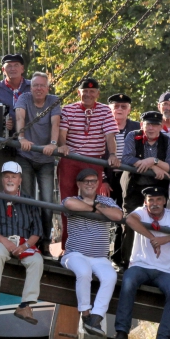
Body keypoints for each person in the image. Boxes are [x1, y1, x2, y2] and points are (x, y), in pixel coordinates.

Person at [114, 187, 170, 339]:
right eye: (151, 200)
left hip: (165, 271)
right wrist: (153, 238)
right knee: (128, 280)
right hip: (140, 266)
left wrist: (166, 239)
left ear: (165, 201)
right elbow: (130, 219)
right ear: (145, 202)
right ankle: (122, 330)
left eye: (158, 200)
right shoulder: (140, 212)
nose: (155, 203)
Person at [60, 168, 124, 336]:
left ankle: (96, 318)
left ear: (98, 183)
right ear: (79, 184)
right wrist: (98, 209)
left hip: (100, 258)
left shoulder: (106, 200)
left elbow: (118, 215)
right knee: (83, 271)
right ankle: (86, 314)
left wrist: (93, 205)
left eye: (93, 181)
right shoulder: (73, 199)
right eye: (86, 181)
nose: (90, 184)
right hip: (74, 254)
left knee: (111, 276)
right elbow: (69, 205)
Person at [57, 78, 119, 244]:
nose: (88, 95)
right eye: (85, 91)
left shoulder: (105, 111)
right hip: (71, 160)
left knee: (93, 201)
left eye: (92, 92)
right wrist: (62, 146)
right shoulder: (69, 109)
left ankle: (91, 243)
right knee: (67, 201)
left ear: (98, 94)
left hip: (93, 161)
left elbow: (110, 136)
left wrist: (112, 154)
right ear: (79, 93)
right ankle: (66, 244)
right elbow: (62, 134)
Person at [0, 161, 45, 324]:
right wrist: (5, 242)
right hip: (0, 240)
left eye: (14, 177)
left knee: (37, 261)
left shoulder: (30, 201)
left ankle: (25, 306)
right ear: (2, 179)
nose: (10, 180)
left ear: (20, 180)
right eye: (7, 176)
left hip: (23, 242)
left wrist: (25, 246)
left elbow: (37, 231)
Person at [118, 111, 170, 267]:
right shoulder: (132, 135)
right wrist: (154, 167)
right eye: (148, 124)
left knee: (156, 225)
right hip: (133, 187)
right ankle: (125, 262)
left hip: (156, 190)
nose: (151, 128)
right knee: (130, 223)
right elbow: (126, 158)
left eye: (155, 125)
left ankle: (153, 264)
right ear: (141, 124)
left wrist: (153, 161)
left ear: (161, 126)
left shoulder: (168, 141)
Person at [14, 71, 60, 253]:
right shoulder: (24, 98)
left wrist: (53, 144)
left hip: (46, 158)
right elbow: (19, 117)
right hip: (26, 156)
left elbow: (56, 123)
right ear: (30, 87)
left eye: (42, 85)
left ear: (47, 88)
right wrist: (21, 138)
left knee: (47, 201)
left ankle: (45, 241)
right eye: (35, 85)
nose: (38, 89)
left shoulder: (53, 100)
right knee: (26, 199)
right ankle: (26, 238)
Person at [0, 53, 32, 186]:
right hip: (3, 142)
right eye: (9, 66)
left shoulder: (32, 87)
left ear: (22, 69)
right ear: (3, 69)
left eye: (16, 65)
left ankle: (23, 206)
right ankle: (1, 206)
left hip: (28, 140)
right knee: (1, 177)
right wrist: (0, 123)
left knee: (25, 181)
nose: (13, 69)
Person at [106, 93, 139, 263]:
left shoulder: (137, 128)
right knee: (103, 213)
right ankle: (101, 253)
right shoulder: (102, 125)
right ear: (110, 108)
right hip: (107, 177)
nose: (119, 109)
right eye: (116, 106)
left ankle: (119, 257)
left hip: (128, 179)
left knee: (124, 216)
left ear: (129, 110)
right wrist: (103, 178)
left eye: (123, 106)